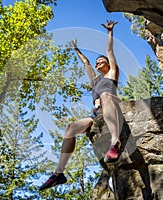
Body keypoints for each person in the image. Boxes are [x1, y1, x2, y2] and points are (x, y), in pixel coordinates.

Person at [39, 20, 122, 191]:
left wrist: (109, 32)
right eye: (97, 62)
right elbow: (86, 63)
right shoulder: (96, 81)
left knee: (106, 95)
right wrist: (76, 50)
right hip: (96, 114)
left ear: (108, 64)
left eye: (101, 61)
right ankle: (58, 174)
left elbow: (109, 50)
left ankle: (115, 142)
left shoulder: (112, 73)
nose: (98, 63)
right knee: (70, 128)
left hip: (111, 106)